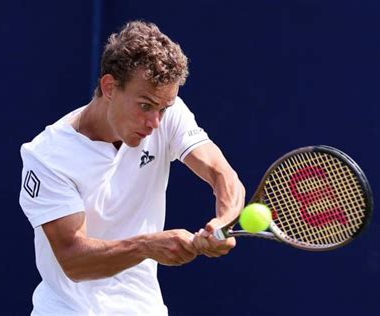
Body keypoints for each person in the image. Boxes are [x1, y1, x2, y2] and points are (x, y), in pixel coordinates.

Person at [19, 20, 245, 315]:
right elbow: (73, 260)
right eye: (145, 106)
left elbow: (221, 173)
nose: (155, 123)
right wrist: (146, 246)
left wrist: (223, 222)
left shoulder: (168, 114)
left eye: (164, 109)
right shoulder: (47, 157)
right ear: (110, 87)